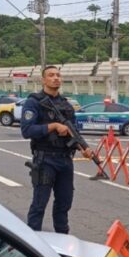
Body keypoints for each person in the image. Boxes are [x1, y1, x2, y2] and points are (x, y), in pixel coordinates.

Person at [20, 65, 93, 234]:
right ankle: (33, 244)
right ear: (43, 80)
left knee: (64, 204)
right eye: (51, 75)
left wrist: (84, 148)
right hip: (45, 160)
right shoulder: (34, 102)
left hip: (65, 160)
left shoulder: (66, 105)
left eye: (58, 75)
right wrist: (52, 126)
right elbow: (27, 131)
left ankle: (63, 241)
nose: (56, 78)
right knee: (39, 204)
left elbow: (74, 132)